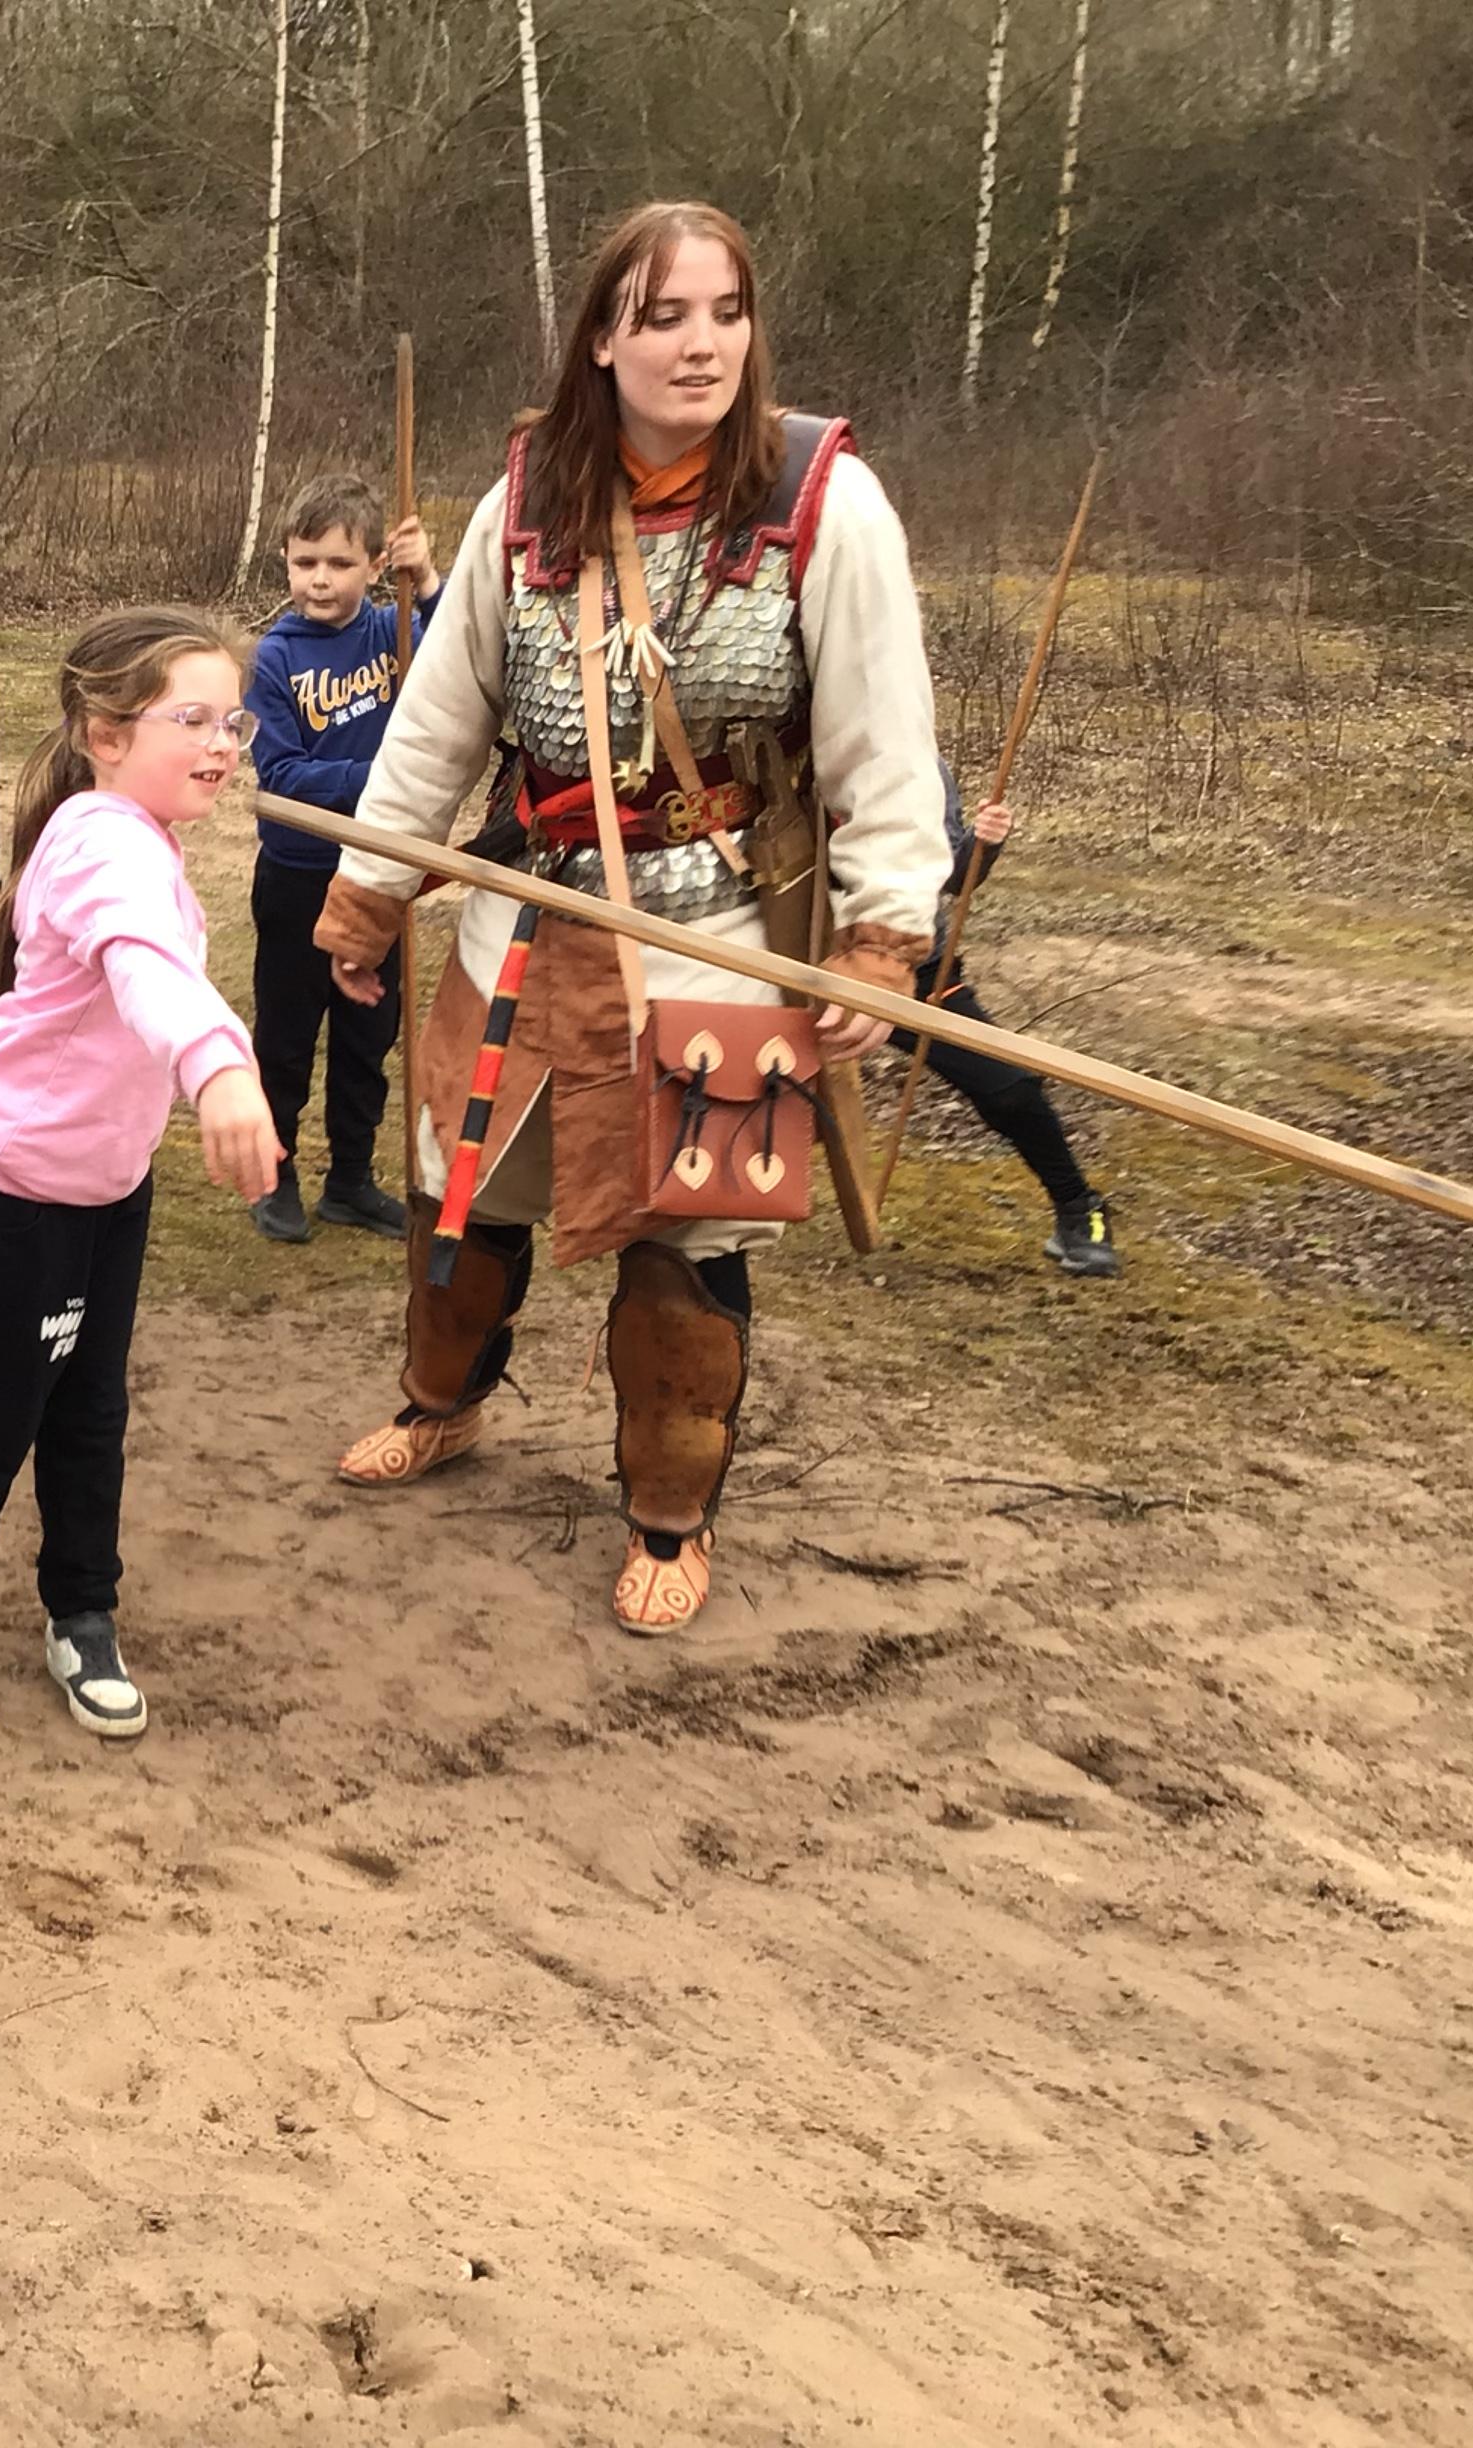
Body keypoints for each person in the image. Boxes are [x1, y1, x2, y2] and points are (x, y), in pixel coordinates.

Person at [312, 200, 950, 1637]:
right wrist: (372, 885)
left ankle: (670, 1510)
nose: (700, 344)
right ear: (603, 339)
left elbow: (884, 738)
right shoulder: (527, 498)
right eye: (663, 316)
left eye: (725, 312)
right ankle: (441, 1401)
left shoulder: (825, 502)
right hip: (530, 929)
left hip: (719, 941)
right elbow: (443, 712)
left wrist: (880, 933)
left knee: (688, 1250)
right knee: (459, 1204)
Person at [0, 607, 280, 1738]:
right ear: (106, 735)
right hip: (15, 1189)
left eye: (234, 724)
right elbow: (147, 966)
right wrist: (219, 1069)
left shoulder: (138, 834)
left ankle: (82, 1610)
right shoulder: (105, 843)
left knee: (90, 1407)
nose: (222, 745)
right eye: (191, 720)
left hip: (108, 1185)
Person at [243, 471, 442, 1245]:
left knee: (369, 1032)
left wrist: (428, 582)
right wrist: (387, 779)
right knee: (288, 1035)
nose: (319, 580)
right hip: (298, 873)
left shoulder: (396, 633)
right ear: (286, 562)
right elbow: (283, 775)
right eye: (304, 563)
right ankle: (275, 1174)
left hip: (380, 870)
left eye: (338, 563)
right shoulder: (275, 658)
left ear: (374, 564)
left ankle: (351, 1181)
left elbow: (465, 657)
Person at [899, 767, 1119, 1275]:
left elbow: (955, 877)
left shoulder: (920, 762)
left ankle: (1078, 1210)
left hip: (916, 971)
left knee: (1008, 1088)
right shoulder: (786, 754)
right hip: (803, 964)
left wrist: (982, 843)